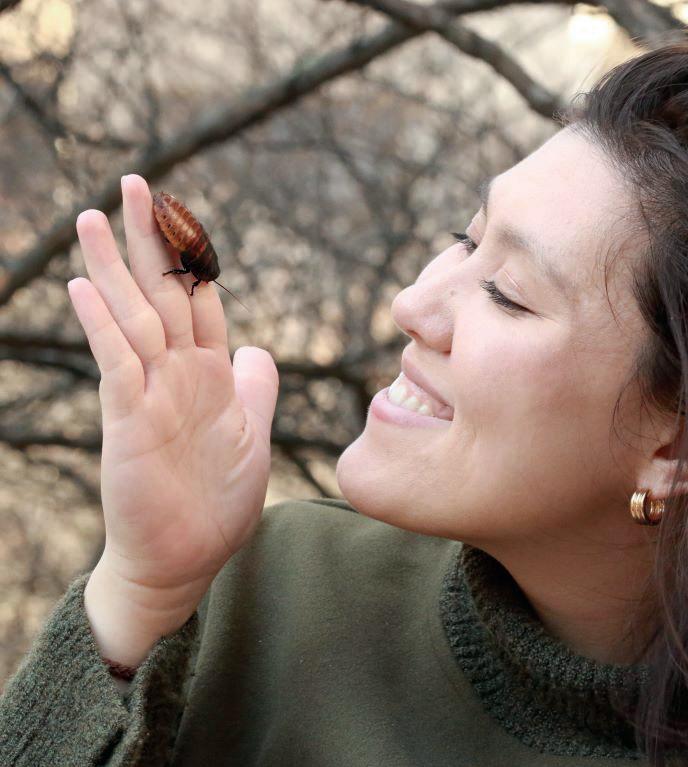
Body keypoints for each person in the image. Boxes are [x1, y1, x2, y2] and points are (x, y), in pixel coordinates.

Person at [2, 42, 688, 767]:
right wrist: (135, 596)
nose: (411, 304)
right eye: (466, 240)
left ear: (671, 446)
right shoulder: (275, 588)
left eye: (507, 294)